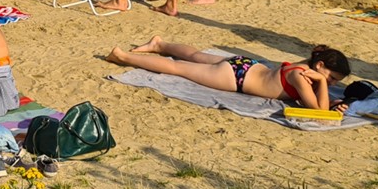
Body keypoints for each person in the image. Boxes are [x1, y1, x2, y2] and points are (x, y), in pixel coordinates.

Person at [106, 38, 350, 109]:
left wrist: (333, 100)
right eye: (331, 78)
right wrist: (320, 83)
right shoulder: (304, 77)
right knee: (178, 68)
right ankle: (123, 57)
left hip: (247, 65)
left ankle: (159, 45)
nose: (330, 83)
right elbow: (317, 111)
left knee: (193, 56)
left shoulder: (303, 65)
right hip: (236, 78)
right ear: (320, 67)